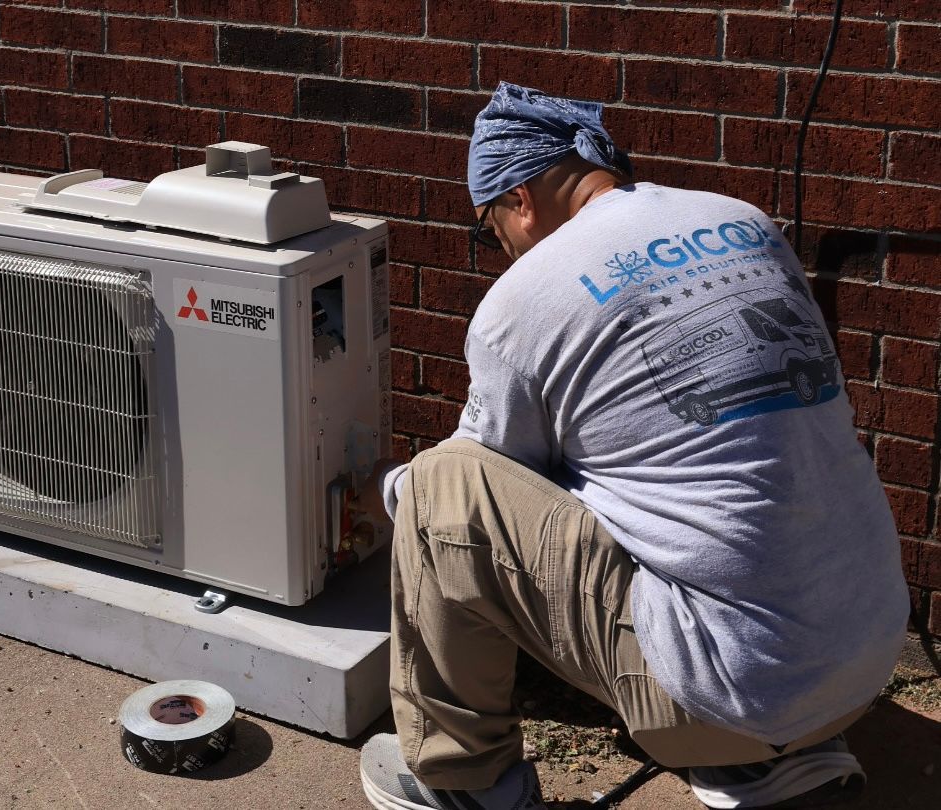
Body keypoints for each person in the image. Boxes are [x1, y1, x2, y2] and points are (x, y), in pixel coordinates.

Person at [354, 82, 908, 810]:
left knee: (438, 484)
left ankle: (465, 783)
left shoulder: (525, 299)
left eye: (492, 230)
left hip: (728, 700)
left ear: (520, 198)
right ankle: (764, 757)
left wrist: (381, 494)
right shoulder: (744, 221)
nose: (503, 251)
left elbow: (483, 489)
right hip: (863, 666)